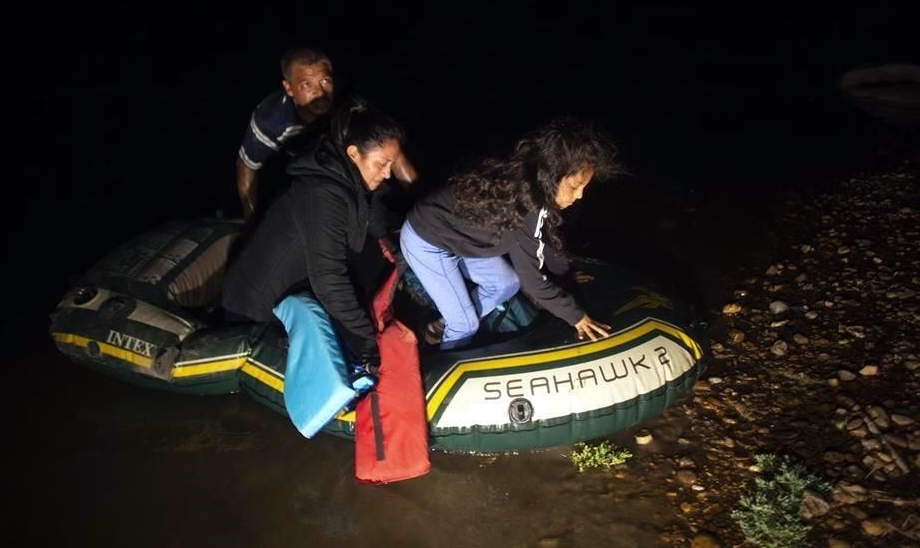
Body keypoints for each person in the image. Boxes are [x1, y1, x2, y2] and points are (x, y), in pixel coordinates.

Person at [399, 118, 623, 350]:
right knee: (465, 325)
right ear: (553, 175)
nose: (580, 196)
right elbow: (533, 281)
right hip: (427, 241)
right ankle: (442, 364)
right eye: (575, 186)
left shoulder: (535, 186)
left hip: (459, 238)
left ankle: (440, 326)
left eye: (584, 187)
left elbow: (544, 243)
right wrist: (577, 317)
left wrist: (564, 277)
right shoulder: (527, 207)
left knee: (507, 283)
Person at [222, 103, 407, 367]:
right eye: (382, 164)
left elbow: (375, 216)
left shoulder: (353, 175)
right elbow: (329, 280)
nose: (388, 173)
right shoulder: (321, 194)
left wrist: (398, 254)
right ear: (354, 153)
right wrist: (367, 340)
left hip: (298, 290)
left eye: (391, 163)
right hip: (255, 311)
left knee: (372, 261)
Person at [235, 45, 418, 222]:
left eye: (325, 81)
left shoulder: (349, 102)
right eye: (307, 85)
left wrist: (420, 200)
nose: (320, 93)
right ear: (289, 88)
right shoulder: (270, 120)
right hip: (300, 164)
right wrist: (250, 220)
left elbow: (390, 148)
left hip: (343, 154)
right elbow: (246, 166)